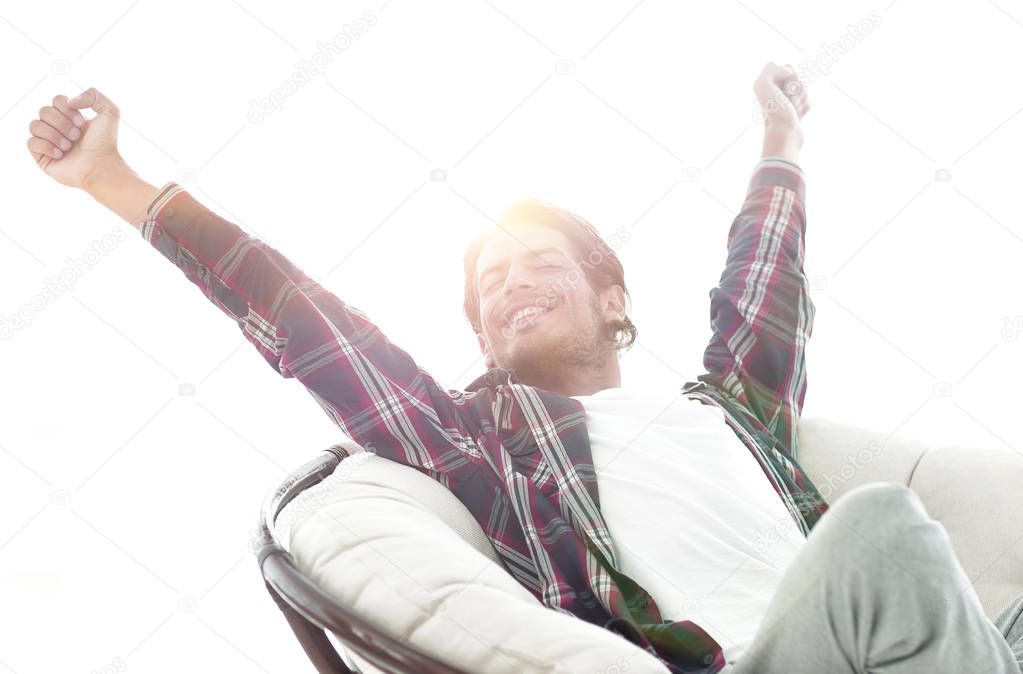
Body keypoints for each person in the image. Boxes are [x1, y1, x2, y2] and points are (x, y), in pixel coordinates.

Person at [25, 62, 1023, 673]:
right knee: (885, 527)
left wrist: (782, 135)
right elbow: (306, 318)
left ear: (614, 298)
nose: (511, 284)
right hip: (754, 658)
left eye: (540, 262)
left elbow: (766, 282)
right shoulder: (484, 441)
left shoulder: (728, 409)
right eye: (490, 281)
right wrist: (117, 183)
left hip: (907, 639)